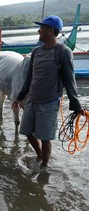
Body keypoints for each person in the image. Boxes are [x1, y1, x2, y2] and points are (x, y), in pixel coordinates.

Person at [11, 15, 84, 167]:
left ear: (50, 30)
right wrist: (19, 98)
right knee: (27, 132)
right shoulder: (36, 52)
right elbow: (29, 79)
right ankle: (39, 157)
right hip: (31, 100)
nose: (39, 31)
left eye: (42, 28)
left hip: (49, 102)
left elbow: (70, 80)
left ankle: (44, 167)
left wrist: (75, 104)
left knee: (45, 138)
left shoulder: (63, 52)